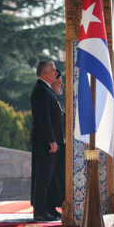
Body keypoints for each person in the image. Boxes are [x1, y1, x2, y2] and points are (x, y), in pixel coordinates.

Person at [30, 60, 63, 221]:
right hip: (45, 143)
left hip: (51, 142)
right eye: (53, 70)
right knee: (42, 177)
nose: (56, 73)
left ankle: (49, 208)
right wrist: (51, 141)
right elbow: (44, 119)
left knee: (49, 177)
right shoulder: (41, 90)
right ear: (44, 72)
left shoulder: (47, 89)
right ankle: (40, 212)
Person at [48, 70, 65, 216]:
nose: (63, 85)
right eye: (60, 83)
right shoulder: (49, 96)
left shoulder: (56, 99)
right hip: (52, 144)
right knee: (52, 178)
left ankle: (55, 206)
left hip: (60, 144)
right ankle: (50, 208)